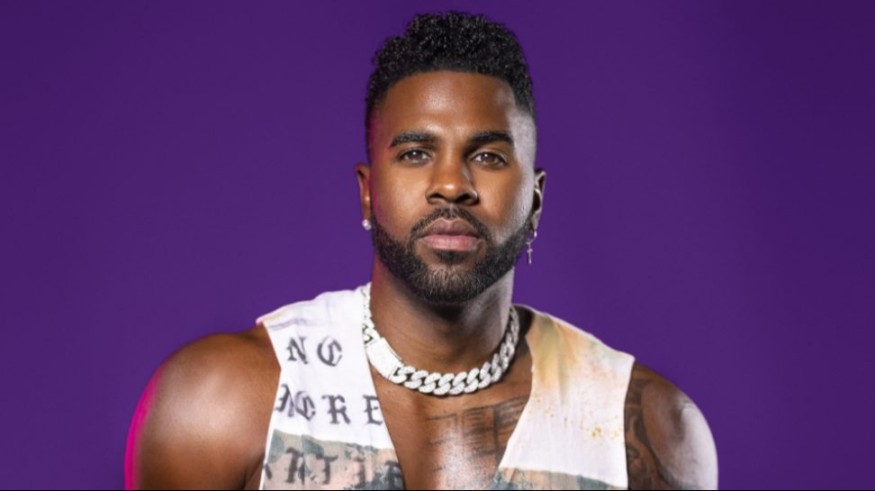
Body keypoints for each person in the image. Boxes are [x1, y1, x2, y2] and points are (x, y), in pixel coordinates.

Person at [125, 12, 718, 490]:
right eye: (415, 154)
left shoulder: (645, 430)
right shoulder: (221, 403)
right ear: (367, 192)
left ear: (535, 201)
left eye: (488, 156)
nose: (452, 184)